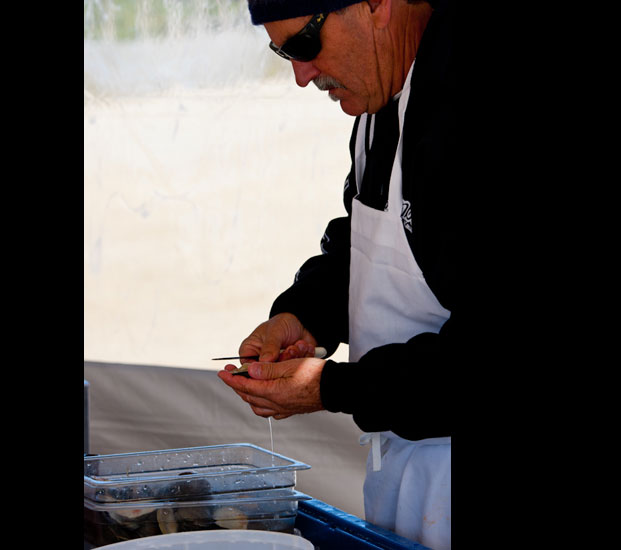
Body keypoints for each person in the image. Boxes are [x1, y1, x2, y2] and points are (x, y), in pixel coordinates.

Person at [217, 1, 457, 549]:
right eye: (282, 53)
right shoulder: (381, 90)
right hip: (407, 464)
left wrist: (333, 387)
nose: (301, 76)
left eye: (304, 44)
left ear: (378, 6)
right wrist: (304, 315)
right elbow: (367, 235)